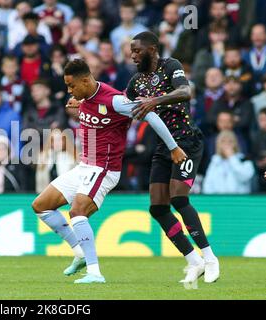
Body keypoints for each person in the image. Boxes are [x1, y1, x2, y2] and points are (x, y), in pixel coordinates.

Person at [32, 59, 186, 284]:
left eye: (71, 86)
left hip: (104, 169)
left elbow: (151, 116)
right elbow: (89, 104)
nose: (69, 91)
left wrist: (173, 148)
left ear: (85, 80)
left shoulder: (114, 100)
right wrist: (78, 101)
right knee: (41, 206)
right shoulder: (86, 96)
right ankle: (80, 253)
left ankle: (95, 273)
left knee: (77, 213)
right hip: (85, 166)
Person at [126, 31, 219, 286]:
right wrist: (87, 105)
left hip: (186, 141)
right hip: (162, 146)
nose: (133, 55)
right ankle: (194, 261)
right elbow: (121, 107)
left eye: (137, 50)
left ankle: (210, 258)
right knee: (157, 207)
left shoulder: (171, 66)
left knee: (179, 198)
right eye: (131, 51)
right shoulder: (135, 82)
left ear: (153, 49)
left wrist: (155, 100)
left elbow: (185, 92)